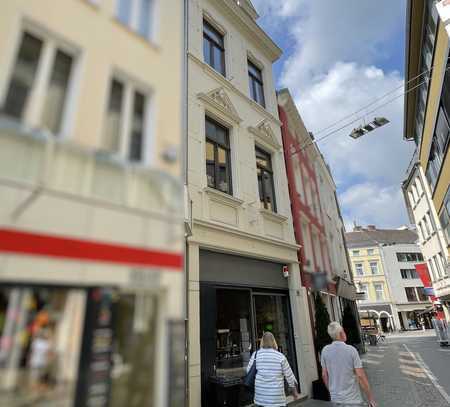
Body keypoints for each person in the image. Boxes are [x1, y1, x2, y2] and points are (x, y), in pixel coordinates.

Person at [321, 322, 376, 407]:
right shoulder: (351, 350)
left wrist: (332, 391)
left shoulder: (325, 350)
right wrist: (370, 399)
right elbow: (360, 376)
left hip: (335, 399)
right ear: (341, 333)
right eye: (343, 331)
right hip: (352, 400)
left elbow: (324, 375)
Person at [246, 332, 300, 407]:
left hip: (261, 399)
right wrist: (295, 394)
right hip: (277, 400)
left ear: (262, 342)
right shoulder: (280, 356)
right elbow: (290, 377)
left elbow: (249, 371)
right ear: (274, 341)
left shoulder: (256, 355)